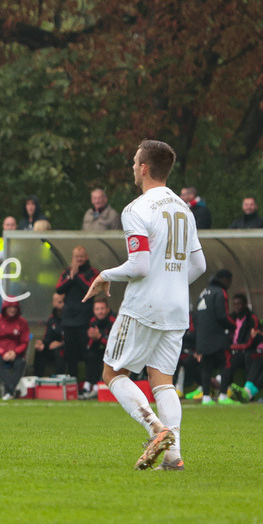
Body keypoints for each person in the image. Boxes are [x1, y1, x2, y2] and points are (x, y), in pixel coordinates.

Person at [83, 139, 207, 471]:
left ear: (144, 168)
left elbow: (139, 266)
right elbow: (199, 265)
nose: (132, 167)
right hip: (177, 308)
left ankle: (156, 429)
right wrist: (171, 284)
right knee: (162, 380)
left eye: (134, 162)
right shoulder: (184, 208)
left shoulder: (136, 209)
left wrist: (105, 275)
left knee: (112, 372)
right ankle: (173, 456)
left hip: (144, 306)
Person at [56, 246, 98, 384]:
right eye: (76, 257)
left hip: (85, 320)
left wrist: (77, 277)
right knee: (70, 354)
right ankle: (73, 383)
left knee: (87, 353)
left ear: (86, 257)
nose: (79, 259)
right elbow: (59, 289)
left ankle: (89, 383)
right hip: (68, 320)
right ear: (72, 258)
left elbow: (90, 290)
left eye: (81, 256)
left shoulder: (92, 272)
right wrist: (71, 277)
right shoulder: (67, 272)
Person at [194, 269, 236, 405]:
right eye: (229, 281)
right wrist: (233, 326)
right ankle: (223, 395)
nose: (229, 284)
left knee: (207, 368)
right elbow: (222, 316)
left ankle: (206, 397)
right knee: (226, 364)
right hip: (217, 338)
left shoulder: (204, 292)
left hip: (203, 337)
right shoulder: (220, 292)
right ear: (225, 280)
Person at [0, 299, 30, 400]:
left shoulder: (22, 322)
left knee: (21, 363)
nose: (12, 309)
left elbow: (25, 342)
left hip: (16, 354)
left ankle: (9, 391)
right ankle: (12, 390)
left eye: (15, 307)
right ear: (5, 308)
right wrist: (2, 352)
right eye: (10, 307)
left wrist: (15, 352)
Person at [224, 294, 260, 404]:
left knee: (251, 357)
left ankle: (246, 392)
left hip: (247, 351)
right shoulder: (231, 318)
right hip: (233, 351)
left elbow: (251, 341)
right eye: (235, 304)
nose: (237, 307)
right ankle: (225, 389)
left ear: (245, 304)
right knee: (226, 359)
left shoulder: (251, 318)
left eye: (239, 304)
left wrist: (233, 347)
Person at [82, 298, 116, 398]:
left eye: (102, 308)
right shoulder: (93, 321)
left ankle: (99, 384)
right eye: (97, 309)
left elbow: (115, 343)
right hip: (98, 350)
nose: (100, 311)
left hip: (112, 353)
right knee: (90, 355)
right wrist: (92, 337)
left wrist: (100, 337)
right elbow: (89, 344)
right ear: (94, 310)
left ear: (107, 309)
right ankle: (88, 384)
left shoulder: (114, 320)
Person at [32, 293, 66, 377]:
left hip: (67, 348)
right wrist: (42, 344)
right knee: (40, 350)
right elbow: (48, 337)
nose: (62, 304)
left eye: (63, 301)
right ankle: (37, 378)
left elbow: (73, 338)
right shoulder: (52, 319)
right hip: (53, 348)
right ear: (53, 303)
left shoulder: (70, 318)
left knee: (59, 350)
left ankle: (60, 379)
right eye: (59, 302)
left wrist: (61, 343)